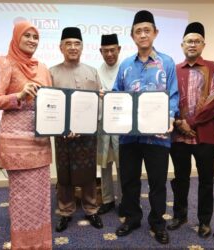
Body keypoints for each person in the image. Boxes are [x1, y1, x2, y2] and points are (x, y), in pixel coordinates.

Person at [113, 10, 179, 244]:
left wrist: (170, 118)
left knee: (157, 183)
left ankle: (157, 222)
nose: (142, 34)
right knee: (129, 180)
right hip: (129, 137)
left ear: (155, 33)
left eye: (146, 30)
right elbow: (116, 95)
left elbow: (173, 96)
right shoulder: (125, 66)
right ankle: (132, 218)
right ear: (132, 36)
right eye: (138, 31)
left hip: (158, 136)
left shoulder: (167, 63)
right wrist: (109, 102)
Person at [0, 21, 52, 249]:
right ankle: (23, 245)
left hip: (40, 141)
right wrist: (19, 95)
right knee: (23, 199)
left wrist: (63, 124)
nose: (32, 40)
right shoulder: (4, 63)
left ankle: (42, 244)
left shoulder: (42, 68)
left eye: (36, 37)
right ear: (16, 37)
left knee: (41, 199)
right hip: (17, 144)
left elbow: (52, 102)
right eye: (27, 36)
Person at [167, 22, 214, 238]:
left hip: (206, 135)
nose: (192, 44)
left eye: (197, 41)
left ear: (203, 44)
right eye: (189, 41)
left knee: (206, 180)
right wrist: (180, 122)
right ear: (182, 45)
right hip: (178, 135)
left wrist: (192, 123)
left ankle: (204, 221)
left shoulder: (213, 67)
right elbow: (167, 97)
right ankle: (179, 215)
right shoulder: (174, 70)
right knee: (180, 178)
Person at [50, 27, 103, 232]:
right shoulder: (51, 72)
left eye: (77, 44)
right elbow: (49, 105)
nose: (73, 47)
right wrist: (61, 127)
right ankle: (65, 211)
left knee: (89, 173)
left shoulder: (92, 71)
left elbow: (99, 101)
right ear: (61, 47)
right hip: (63, 134)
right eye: (68, 44)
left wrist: (92, 123)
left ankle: (91, 209)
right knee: (64, 174)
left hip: (88, 133)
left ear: (82, 47)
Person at [97, 34, 122, 215]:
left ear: (119, 49)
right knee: (105, 164)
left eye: (113, 50)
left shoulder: (126, 68)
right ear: (101, 51)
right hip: (103, 123)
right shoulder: (96, 72)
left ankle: (123, 200)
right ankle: (107, 200)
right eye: (106, 51)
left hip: (122, 125)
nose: (110, 54)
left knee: (123, 164)